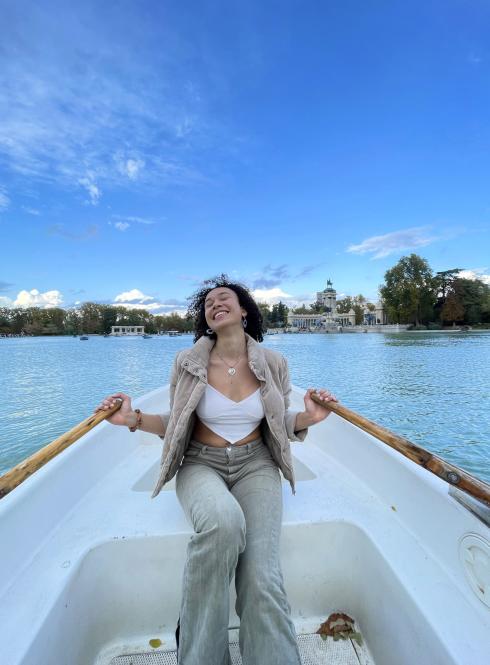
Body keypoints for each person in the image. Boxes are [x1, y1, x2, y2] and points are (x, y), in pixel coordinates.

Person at [94, 274, 338, 665]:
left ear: (243, 311)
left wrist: (309, 417)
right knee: (223, 522)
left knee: (262, 578)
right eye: (208, 303)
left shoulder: (274, 362)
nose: (214, 304)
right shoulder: (187, 362)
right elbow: (175, 420)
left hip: (256, 464)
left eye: (224, 298)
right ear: (205, 318)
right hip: (199, 464)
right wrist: (133, 419)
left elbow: (278, 421)